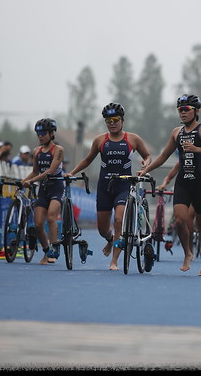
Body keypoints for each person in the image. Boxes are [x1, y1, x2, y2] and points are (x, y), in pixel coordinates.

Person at [137, 94, 201, 276]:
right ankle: (187, 253)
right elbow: (163, 156)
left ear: (196, 111)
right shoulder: (176, 132)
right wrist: (146, 170)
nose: (182, 113)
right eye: (180, 110)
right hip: (183, 182)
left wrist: (197, 149)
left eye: (186, 109)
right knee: (180, 220)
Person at [65, 103, 152, 271]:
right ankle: (111, 240)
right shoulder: (100, 140)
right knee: (103, 229)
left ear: (122, 120)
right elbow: (87, 160)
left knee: (119, 220)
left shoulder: (132, 139)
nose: (112, 123)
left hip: (124, 186)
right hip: (105, 187)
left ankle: (114, 261)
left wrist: (145, 164)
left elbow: (147, 156)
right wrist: (72, 172)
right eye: (108, 120)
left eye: (115, 120)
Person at [21, 118, 65, 265]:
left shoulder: (58, 150)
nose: (40, 136)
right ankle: (47, 252)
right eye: (38, 133)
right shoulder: (37, 151)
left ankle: (54, 248)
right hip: (43, 190)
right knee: (38, 224)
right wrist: (23, 182)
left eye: (43, 133)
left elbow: (51, 171)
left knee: (51, 217)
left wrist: (32, 181)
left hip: (57, 188)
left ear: (52, 133)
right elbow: (35, 172)